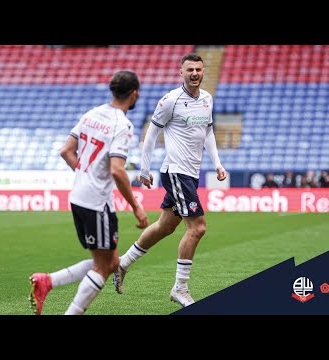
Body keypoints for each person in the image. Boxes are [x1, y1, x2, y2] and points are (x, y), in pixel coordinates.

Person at [28, 70, 149, 315]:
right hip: (97, 203)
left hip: (78, 197)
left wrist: (85, 174)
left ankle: (47, 281)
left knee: (109, 262)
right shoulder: (122, 125)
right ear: (134, 94)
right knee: (104, 267)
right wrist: (136, 206)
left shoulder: (92, 114)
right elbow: (117, 170)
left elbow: (66, 151)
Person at [112, 53, 226, 308]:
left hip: (190, 174)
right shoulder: (170, 100)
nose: (195, 73)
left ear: (203, 71)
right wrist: (144, 169)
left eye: (198, 69)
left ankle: (122, 264)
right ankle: (180, 288)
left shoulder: (207, 99)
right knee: (197, 228)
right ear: (181, 72)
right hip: (175, 172)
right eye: (190, 70)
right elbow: (151, 134)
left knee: (165, 226)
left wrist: (217, 162)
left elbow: (208, 132)